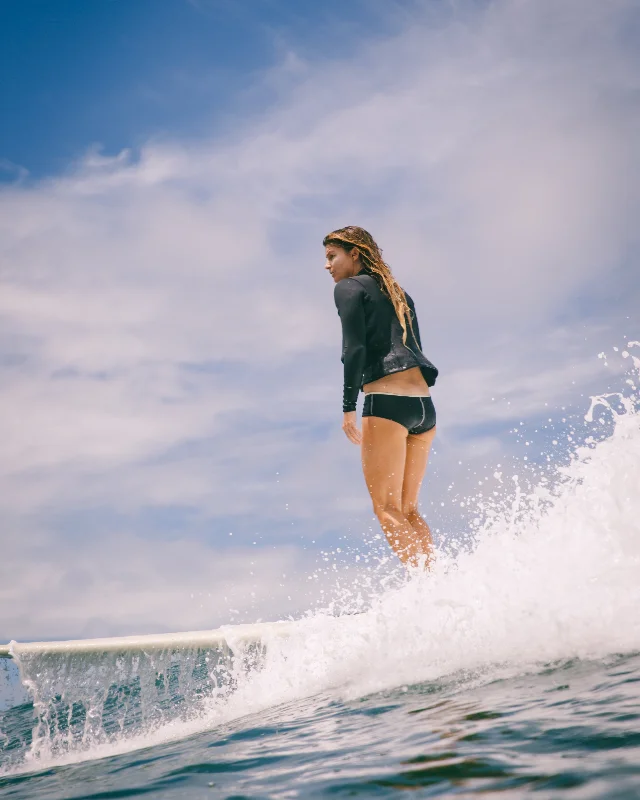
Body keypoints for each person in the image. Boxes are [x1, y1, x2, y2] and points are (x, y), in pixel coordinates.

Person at [324, 226, 438, 568]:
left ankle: (429, 593)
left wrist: (348, 408)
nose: (327, 266)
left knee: (387, 510)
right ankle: (442, 582)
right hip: (424, 408)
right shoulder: (399, 292)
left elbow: (354, 348)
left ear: (354, 253)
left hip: (387, 404)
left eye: (332, 256)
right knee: (408, 510)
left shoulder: (348, 287)